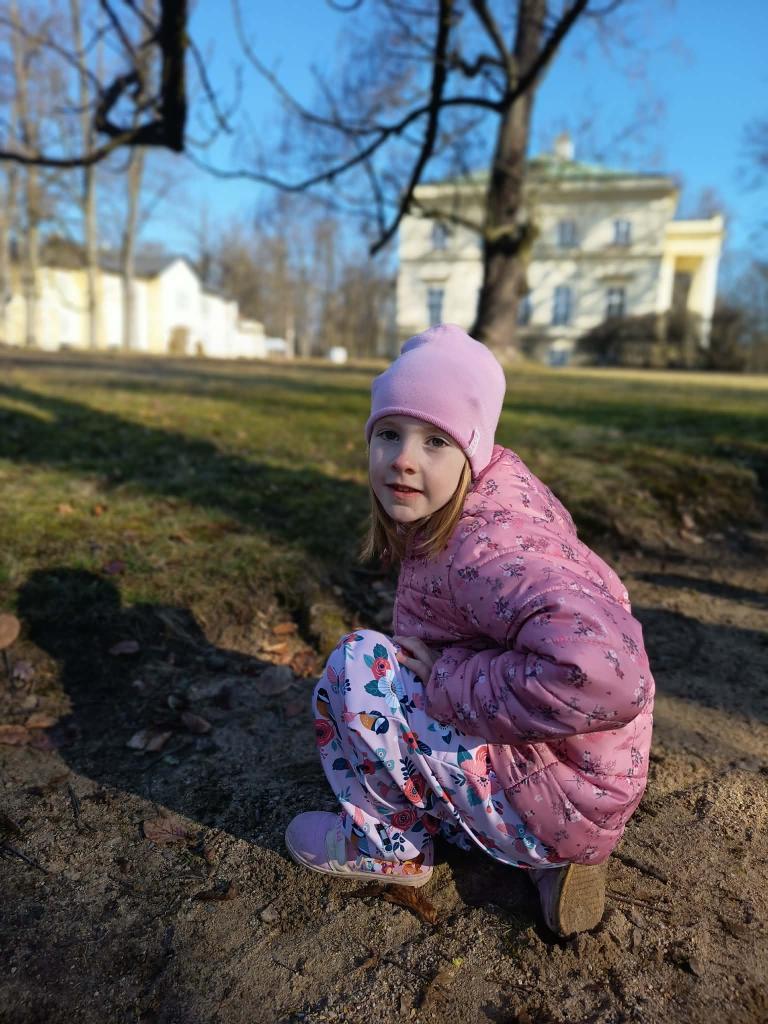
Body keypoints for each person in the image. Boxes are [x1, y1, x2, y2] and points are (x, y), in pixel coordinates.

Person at [285, 323, 654, 937]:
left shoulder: (485, 549)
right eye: (389, 433)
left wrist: (452, 676)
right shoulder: (500, 501)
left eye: (436, 440)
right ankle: (546, 858)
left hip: (562, 792)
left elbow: (609, 680)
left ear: (472, 452)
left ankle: (390, 845)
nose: (404, 458)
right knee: (403, 678)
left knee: (359, 666)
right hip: (582, 783)